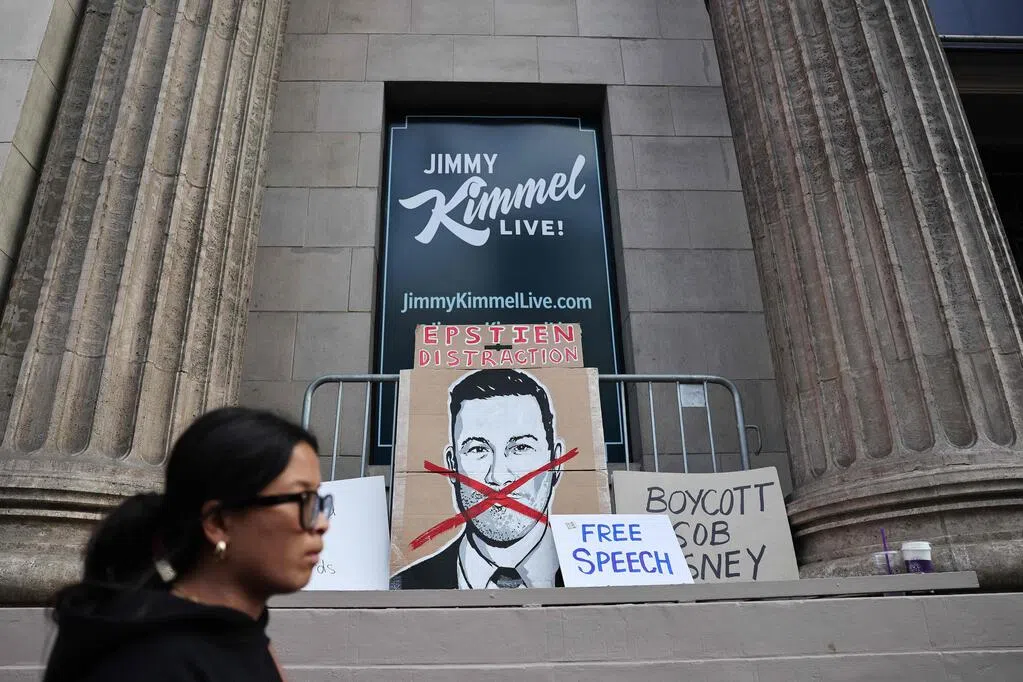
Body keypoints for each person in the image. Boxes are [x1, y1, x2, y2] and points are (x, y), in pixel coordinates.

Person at [42, 407, 332, 682]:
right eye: (303, 499)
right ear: (218, 523)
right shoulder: (149, 660)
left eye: (318, 500)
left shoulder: (241, 633)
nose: (322, 523)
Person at [392, 368, 565, 589]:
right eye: (477, 449)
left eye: (521, 447)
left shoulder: (593, 578)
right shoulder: (404, 587)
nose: (498, 477)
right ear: (452, 466)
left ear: (556, 462)